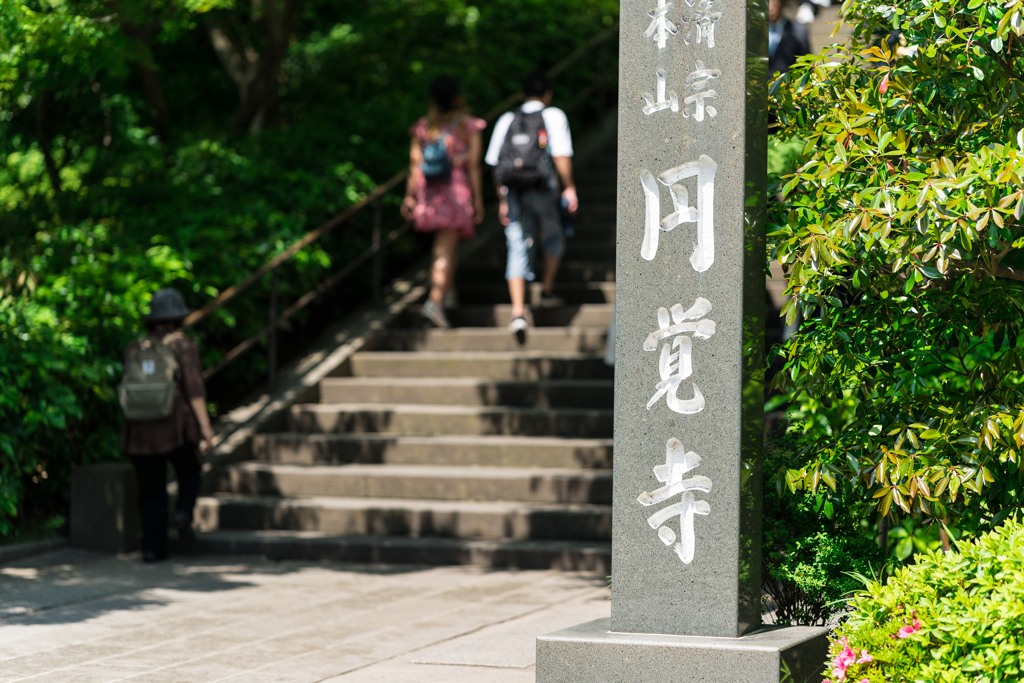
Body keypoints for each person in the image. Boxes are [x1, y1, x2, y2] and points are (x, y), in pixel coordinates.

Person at [121, 288, 214, 562]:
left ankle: (153, 549)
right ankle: (184, 512)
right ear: (179, 318)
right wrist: (206, 428)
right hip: (175, 427)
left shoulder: (134, 348)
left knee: (150, 491)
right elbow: (194, 390)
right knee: (191, 470)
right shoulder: (182, 345)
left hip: (139, 430)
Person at [486, 70, 578, 343]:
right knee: (553, 237)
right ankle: (547, 292)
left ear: (522, 94)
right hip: (544, 192)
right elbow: (561, 154)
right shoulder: (554, 115)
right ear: (548, 94)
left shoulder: (507, 118)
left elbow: (495, 162)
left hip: (514, 191)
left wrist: (502, 199)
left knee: (516, 244)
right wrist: (569, 186)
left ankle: (517, 312)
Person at [401, 76, 486, 329]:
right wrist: (479, 200)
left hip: (429, 193)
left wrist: (409, 196)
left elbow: (415, 166)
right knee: (444, 248)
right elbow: (474, 166)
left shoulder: (424, 127)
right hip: (455, 192)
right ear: (457, 97)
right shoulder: (466, 126)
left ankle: (448, 294)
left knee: (446, 245)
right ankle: (435, 301)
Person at [768, 0, 812, 76]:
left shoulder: (798, 31)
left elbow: (807, 64)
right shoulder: (755, 30)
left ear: (782, 3)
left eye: (774, 3)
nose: (771, 8)